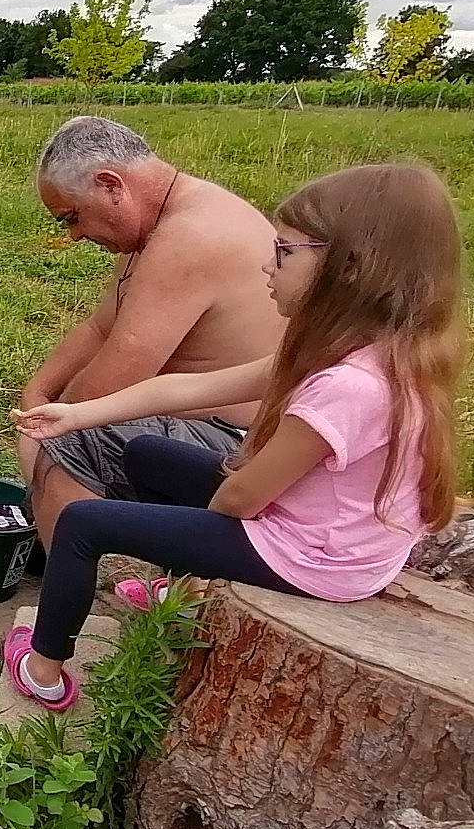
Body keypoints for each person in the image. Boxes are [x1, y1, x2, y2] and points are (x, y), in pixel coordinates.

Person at [0, 162, 464, 709]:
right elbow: (185, 389)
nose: (267, 268)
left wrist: (196, 526)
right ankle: (179, 591)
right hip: (312, 525)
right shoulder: (338, 349)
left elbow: (242, 497)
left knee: (84, 524)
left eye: (284, 252)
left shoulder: (353, 386)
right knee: (148, 455)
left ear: (349, 269)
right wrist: (78, 414)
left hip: (312, 558)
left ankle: (45, 669)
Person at [19, 116, 285, 548]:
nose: (74, 235)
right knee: (53, 428)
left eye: (72, 217)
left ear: (111, 185)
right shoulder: (159, 223)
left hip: (238, 443)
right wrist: (37, 391)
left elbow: (116, 379)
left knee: (71, 445)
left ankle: (70, 598)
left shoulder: (190, 237)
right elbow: (100, 326)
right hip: (197, 419)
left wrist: (55, 422)